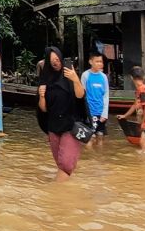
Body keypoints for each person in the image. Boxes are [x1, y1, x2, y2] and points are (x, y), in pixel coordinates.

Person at [37, 47, 87, 181]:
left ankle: (55, 192)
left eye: (58, 59)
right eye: (52, 60)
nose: (56, 62)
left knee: (65, 165)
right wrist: (41, 96)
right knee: (61, 164)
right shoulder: (45, 81)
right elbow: (43, 110)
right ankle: (66, 194)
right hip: (53, 127)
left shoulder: (69, 75)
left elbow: (80, 96)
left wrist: (75, 79)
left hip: (71, 126)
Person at [120, 66, 145, 154]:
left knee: (142, 143)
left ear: (131, 78)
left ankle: (143, 163)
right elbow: (135, 105)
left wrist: (143, 122)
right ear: (143, 77)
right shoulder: (141, 89)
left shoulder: (142, 90)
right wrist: (125, 116)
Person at [81, 52, 110, 148]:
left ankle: (100, 159)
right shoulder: (85, 75)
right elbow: (82, 94)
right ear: (90, 62)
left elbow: (106, 95)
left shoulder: (104, 77)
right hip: (90, 112)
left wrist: (105, 113)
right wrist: (84, 112)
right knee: (90, 137)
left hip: (101, 111)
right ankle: (90, 161)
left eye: (101, 62)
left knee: (100, 136)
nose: (99, 64)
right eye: (97, 61)